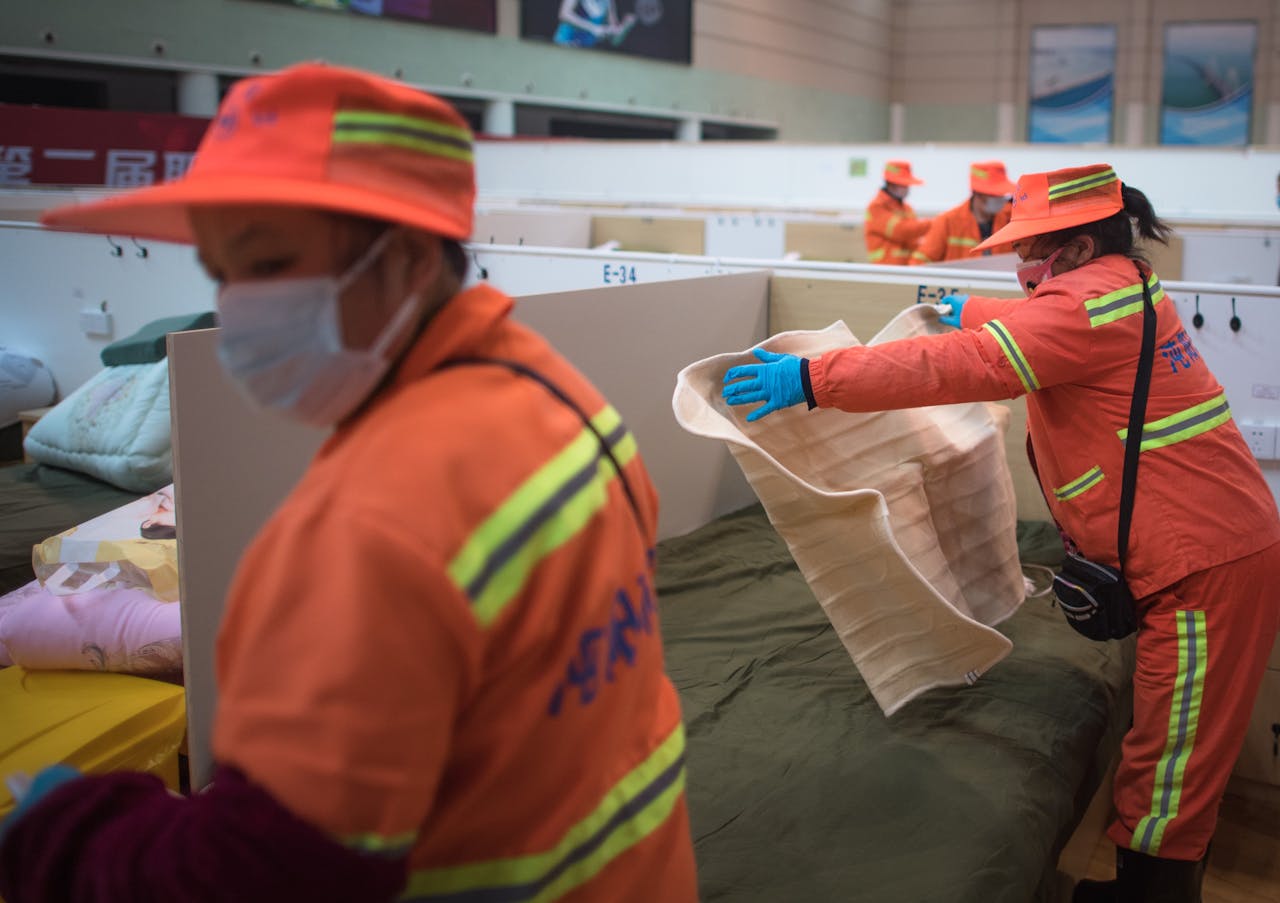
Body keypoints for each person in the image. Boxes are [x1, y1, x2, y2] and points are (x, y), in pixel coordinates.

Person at [0, 62, 698, 903]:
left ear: (402, 258)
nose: (235, 311)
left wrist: (70, 835)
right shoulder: (558, 392)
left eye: (267, 264)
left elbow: (265, 873)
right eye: (222, 275)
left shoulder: (371, 521)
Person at [723, 163, 1280, 902]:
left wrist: (815, 378)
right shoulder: (1121, 285)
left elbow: (971, 364)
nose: (1020, 264)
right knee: (1169, 744)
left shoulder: (1086, 305)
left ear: (1077, 248)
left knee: (1173, 761)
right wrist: (973, 309)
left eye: (1029, 251)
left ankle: (1151, 893)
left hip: (1204, 560)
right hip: (1206, 538)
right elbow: (1041, 325)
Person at [910, 160, 1016, 265]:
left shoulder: (1011, 221)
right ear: (977, 193)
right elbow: (919, 262)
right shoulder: (948, 222)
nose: (1000, 199)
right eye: (995, 194)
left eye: (1002, 194)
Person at [864, 159, 932, 265]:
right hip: (886, 269)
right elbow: (901, 231)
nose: (908, 189)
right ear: (892, 184)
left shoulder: (907, 208)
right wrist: (935, 223)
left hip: (907, 268)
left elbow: (913, 239)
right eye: (904, 184)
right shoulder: (877, 207)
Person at [553, 0, 636, 48]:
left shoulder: (609, 1)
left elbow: (614, 40)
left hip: (587, 51)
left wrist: (625, 27)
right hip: (565, 44)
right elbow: (564, 15)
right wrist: (593, 28)